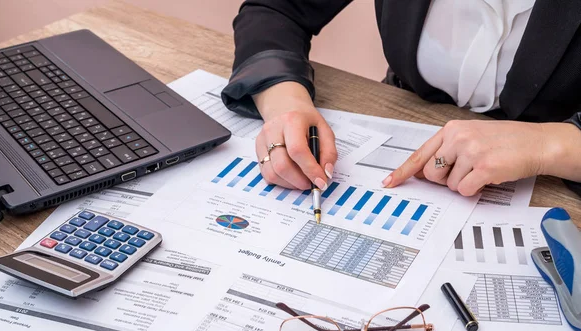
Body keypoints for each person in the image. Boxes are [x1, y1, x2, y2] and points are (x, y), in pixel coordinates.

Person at [220, 0, 581, 197]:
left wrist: (550, 145)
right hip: (403, 122)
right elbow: (276, 8)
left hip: (555, 188)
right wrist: (286, 104)